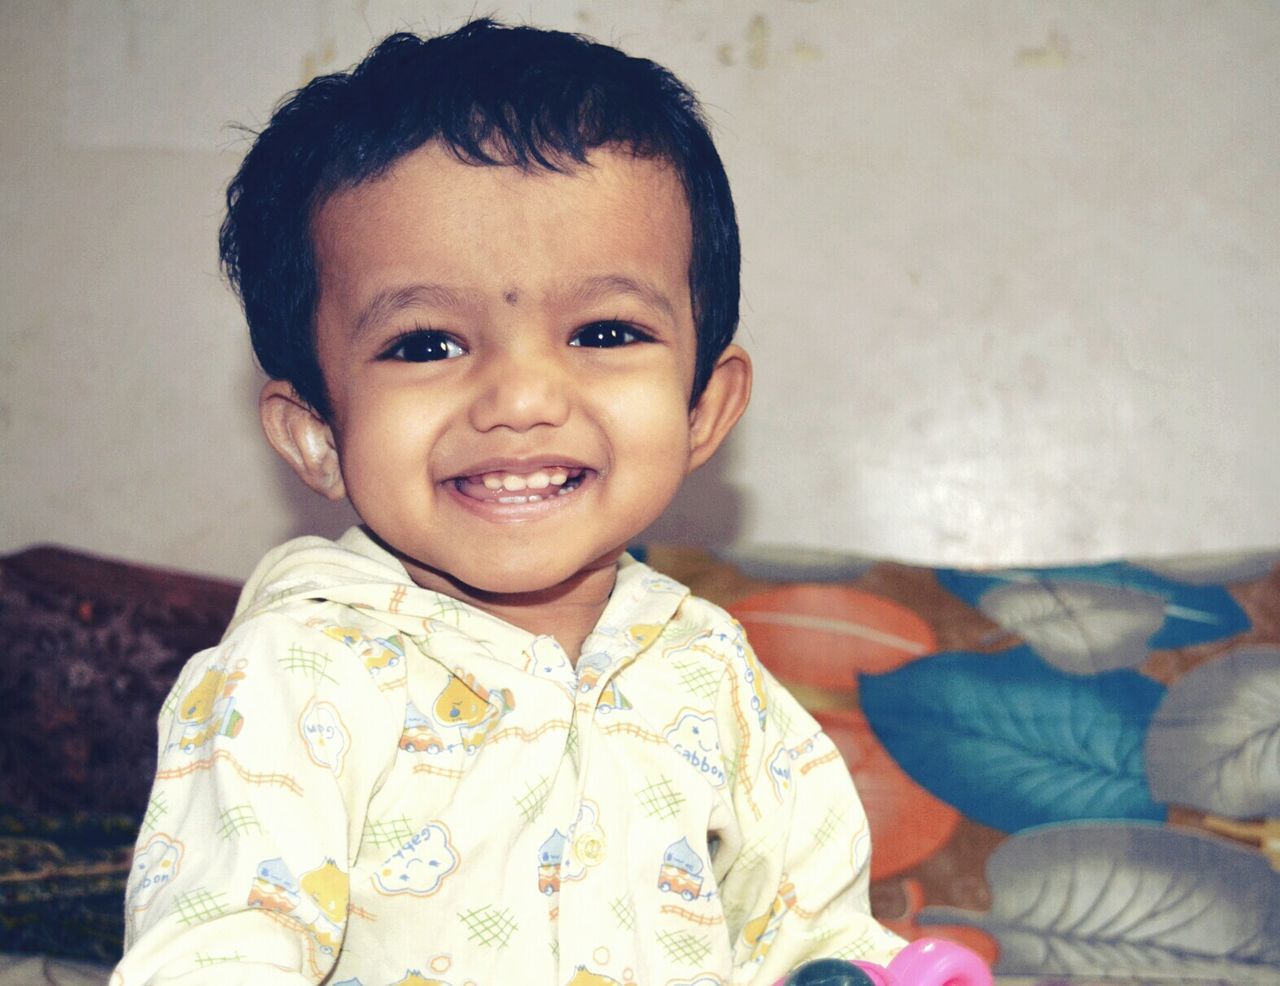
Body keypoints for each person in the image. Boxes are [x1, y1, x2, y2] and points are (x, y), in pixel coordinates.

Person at [115, 18, 904, 985]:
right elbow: (218, 948)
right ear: (318, 433)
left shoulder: (717, 680)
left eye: (606, 332)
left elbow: (816, 929)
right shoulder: (293, 678)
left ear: (704, 408)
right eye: (426, 344)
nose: (522, 400)